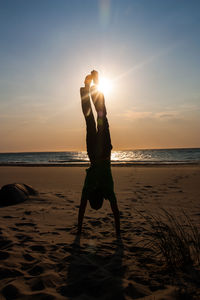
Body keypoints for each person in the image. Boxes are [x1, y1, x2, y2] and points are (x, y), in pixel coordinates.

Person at [77, 70, 120, 236]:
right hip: (94, 153)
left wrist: (118, 233)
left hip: (104, 149)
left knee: (101, 116)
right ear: (91, 197)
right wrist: (79, 230)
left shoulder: (107, 188)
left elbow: (116, 211)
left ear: (102, 197)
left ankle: (97, 84)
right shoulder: (88, 187)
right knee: (89, 119)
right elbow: (81, 209)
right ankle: (88, 87)